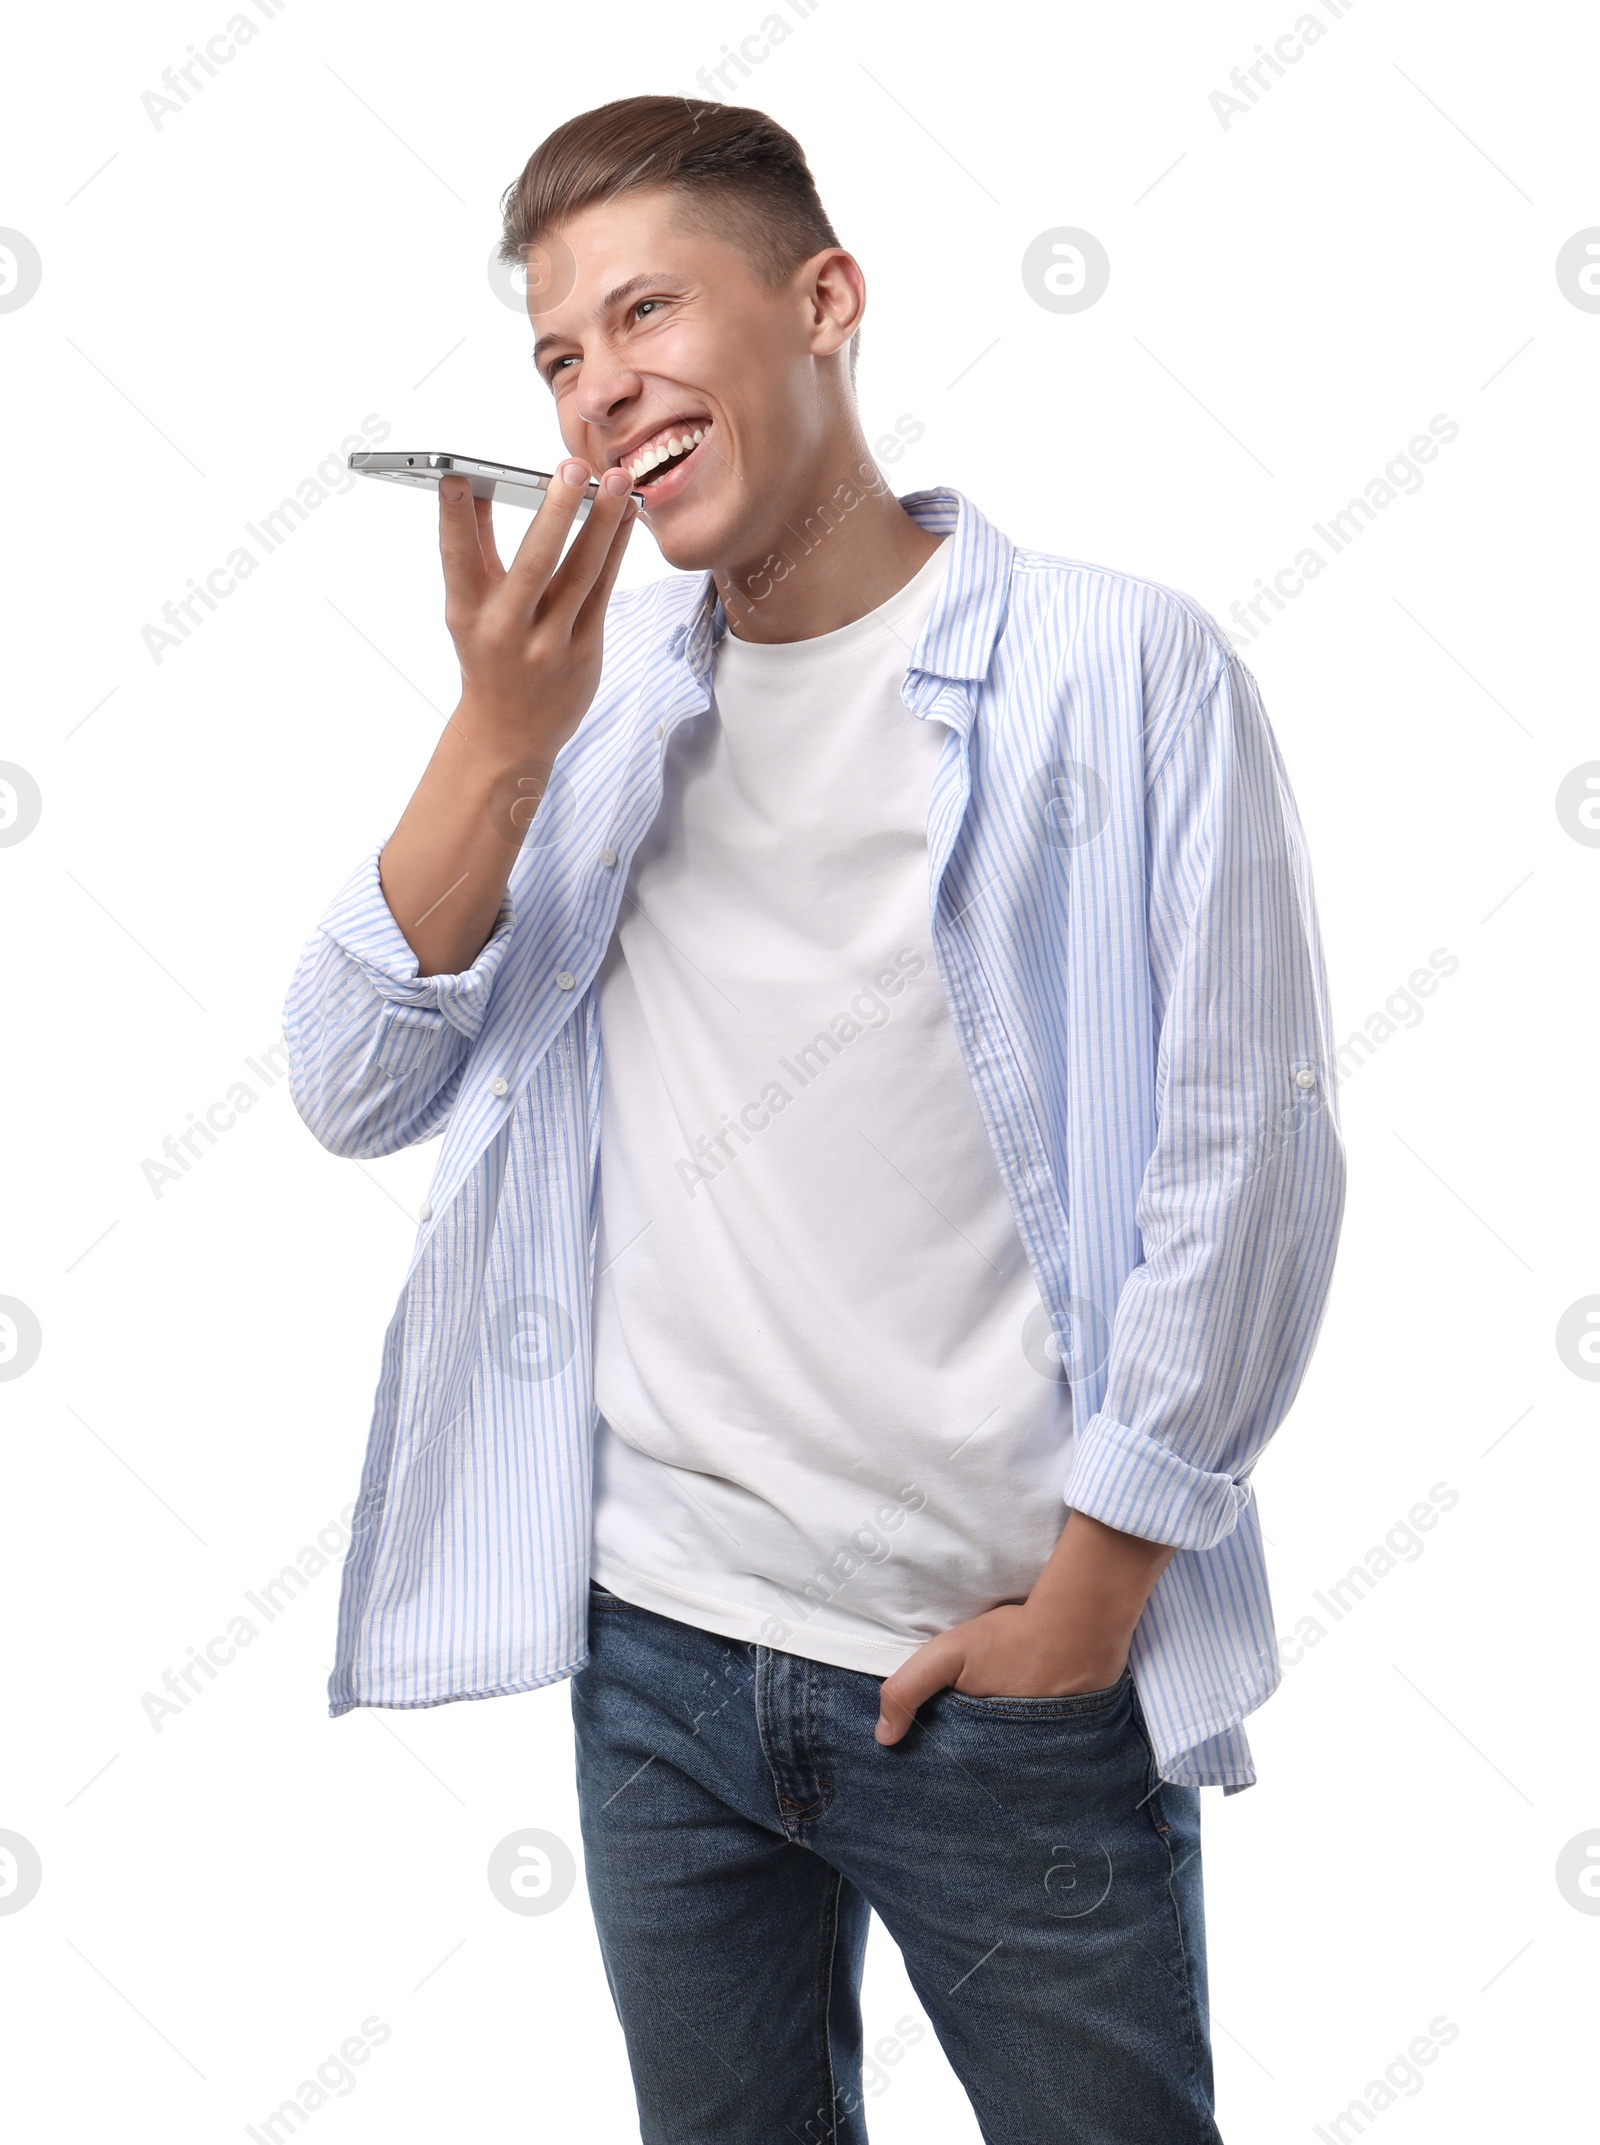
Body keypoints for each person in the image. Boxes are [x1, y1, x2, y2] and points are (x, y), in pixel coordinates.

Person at [283, 93, 1346, 2145]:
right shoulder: (593, 712)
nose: (599, 391)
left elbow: (1247, 1148)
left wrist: (1097, 1590)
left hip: (998, 1667)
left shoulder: (1117, 671)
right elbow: (351, 1080)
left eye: (641, 314)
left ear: (823, 300)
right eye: (555, 359)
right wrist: (501, 730)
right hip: (656, 1662)